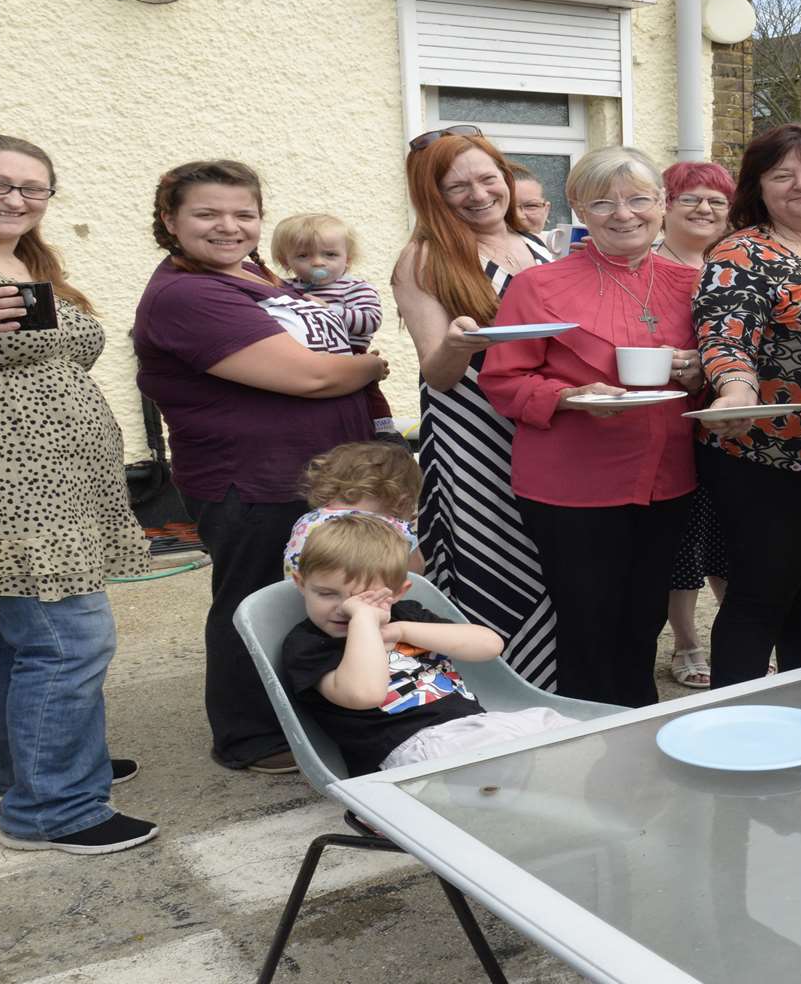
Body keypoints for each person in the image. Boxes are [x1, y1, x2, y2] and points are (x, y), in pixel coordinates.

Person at [135, 159, 385, 775]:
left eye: (244, 214)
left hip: (309, 471)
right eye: (207, 214)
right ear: (170, 220)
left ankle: (303, 714)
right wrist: (369, 368)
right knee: (253, 600)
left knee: (310, 597)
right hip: (250, 479)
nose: (229, 226)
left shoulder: (252, 275)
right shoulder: (188, 293)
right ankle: (248, 736)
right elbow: (310, 374)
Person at [0, 134, 157, 854]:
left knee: (14, 637)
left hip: (62, 483)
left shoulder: (28, 260)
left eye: (33, 189)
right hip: (5, 485)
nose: (16, 200)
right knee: (72, 639)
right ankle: (55, 809)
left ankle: (17, 770)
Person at [479, 147, 703, 707]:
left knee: (645, 614)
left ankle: (636, 720)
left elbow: (715, 370)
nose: (623, 214)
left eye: (637, 199)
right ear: (578, 208)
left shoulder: (692, 282)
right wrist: (571, 397)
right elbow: (503, 379)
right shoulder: (540, 286)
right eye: (602, 202)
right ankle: (589, 729)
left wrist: (702, 369)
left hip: (667, 476)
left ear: (662, 204)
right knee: (587, 620)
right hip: (572, 482)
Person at [391, 129, 558, 686]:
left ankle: (551, 687)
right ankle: (496, 689)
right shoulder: (423, 259)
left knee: (549, 559)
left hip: (543, 428)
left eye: (488, 178)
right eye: (456, 186)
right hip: (473, 438)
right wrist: (460, 347)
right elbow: (437, 376)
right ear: (431, 194)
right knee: (494, 558)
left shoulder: (535, 245)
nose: (479, 194)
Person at [695, 125, 801, 688]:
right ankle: (731, 721)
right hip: (767, 455)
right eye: (782, 174)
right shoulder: (743, 251)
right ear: (757, 187)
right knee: (760, 597)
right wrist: (735, 387)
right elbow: (725, 333)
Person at [281, 513, 572, 776]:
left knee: (566, 732)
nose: (345, 608)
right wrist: (365, 621)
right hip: (410, 750)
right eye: (327, 594)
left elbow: (489, 645)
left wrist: (402, 629)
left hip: (477, 727)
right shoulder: (309, 644)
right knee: (520, 755)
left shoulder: (407, 616)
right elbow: (364, 694)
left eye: (366, 598)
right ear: (300, 583)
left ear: (397, 593)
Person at [658, 160, 735, 688]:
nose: (704, 209)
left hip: (731, 423)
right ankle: (687, 643)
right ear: (665, 205)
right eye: (691, 199)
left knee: (729, 539)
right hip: (667, 424)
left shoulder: (732, 263)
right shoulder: (649, 265)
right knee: (684, 541)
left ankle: (733, 640)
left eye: (716, 201)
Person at [270, 212, 394, 437]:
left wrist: (329, 310)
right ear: (285, 261)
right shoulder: (284, 289)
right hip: (303, 356)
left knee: (366, 393)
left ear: (347, 259)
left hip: (350, 354)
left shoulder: (355, 288)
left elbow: (370, 320)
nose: (318, 262)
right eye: (303, 255)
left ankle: (383, 431)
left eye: (330, 254)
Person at [283, 440, 425, 579]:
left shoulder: (306, 521)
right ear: (403, 502)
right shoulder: (396, 530)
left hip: (300, 600)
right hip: (372, 601)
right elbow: (415, 576)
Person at [507, 161, 553, 237]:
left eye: (531, 206)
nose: (519, 216)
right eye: (508, 207)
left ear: (546, 211)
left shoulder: (559, 247)